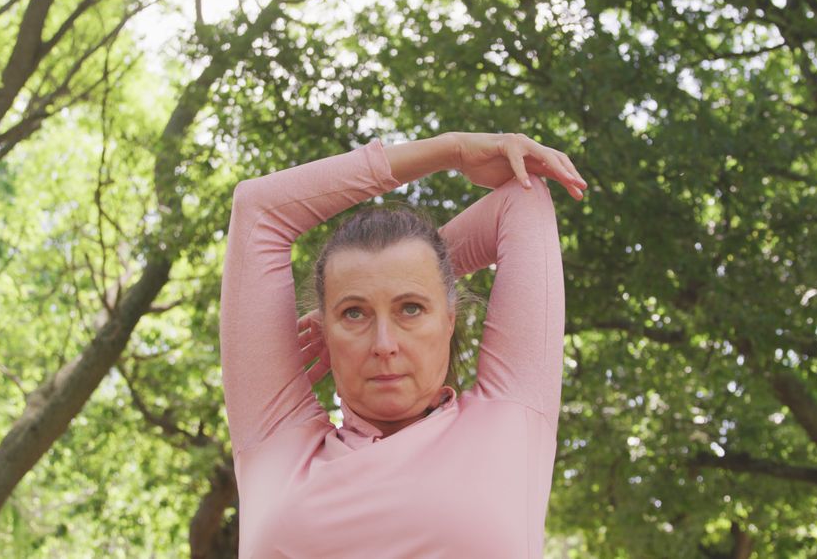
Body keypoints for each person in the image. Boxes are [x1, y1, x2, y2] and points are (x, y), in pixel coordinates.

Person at [219, 132, 586, 557]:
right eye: (354, 314)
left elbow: (522, 201)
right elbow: (257, 209)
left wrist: (412, 270)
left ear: (449, 319)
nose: (384, 344)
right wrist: (452, 150)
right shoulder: (277, 441)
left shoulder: (512, 414)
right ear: (324, 330)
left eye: (411, 309)